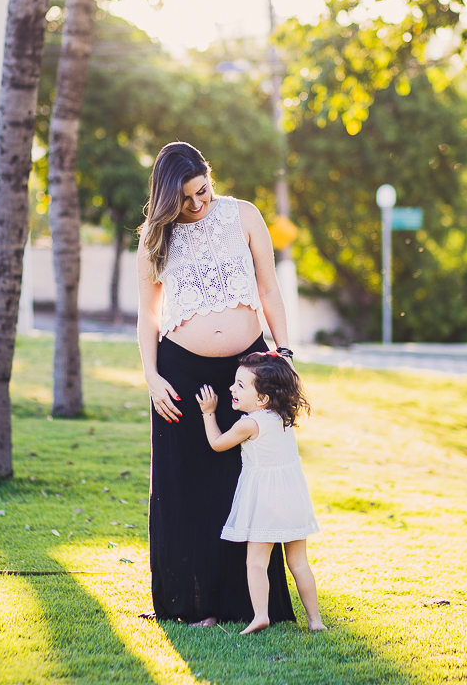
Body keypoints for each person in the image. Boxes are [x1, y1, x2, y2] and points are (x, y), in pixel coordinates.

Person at [138, 141, 296, 627]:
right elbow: (148, 316)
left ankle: (249, 604)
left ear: (210, 176)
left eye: (201, 190)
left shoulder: (244, 215)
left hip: (249, 374)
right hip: (181, 373)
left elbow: (269, 288)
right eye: (184, 199)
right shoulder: (154, 237)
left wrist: (284, 354)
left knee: (249, 484)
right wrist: (152, 378)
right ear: (166, 198)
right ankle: (191, 604)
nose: (197, 204)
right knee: (185, 487)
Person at [196, 352, 325, 635]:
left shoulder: (248, 423)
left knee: (256, 561)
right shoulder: (280, 416)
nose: (232, 388)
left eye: (240, 385)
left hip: (264, 500)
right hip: (293, 495)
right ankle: (315, 621)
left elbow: (217, 444)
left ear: (262, 398)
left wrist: (208, 412)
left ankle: (260, 615)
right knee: (298, 562)